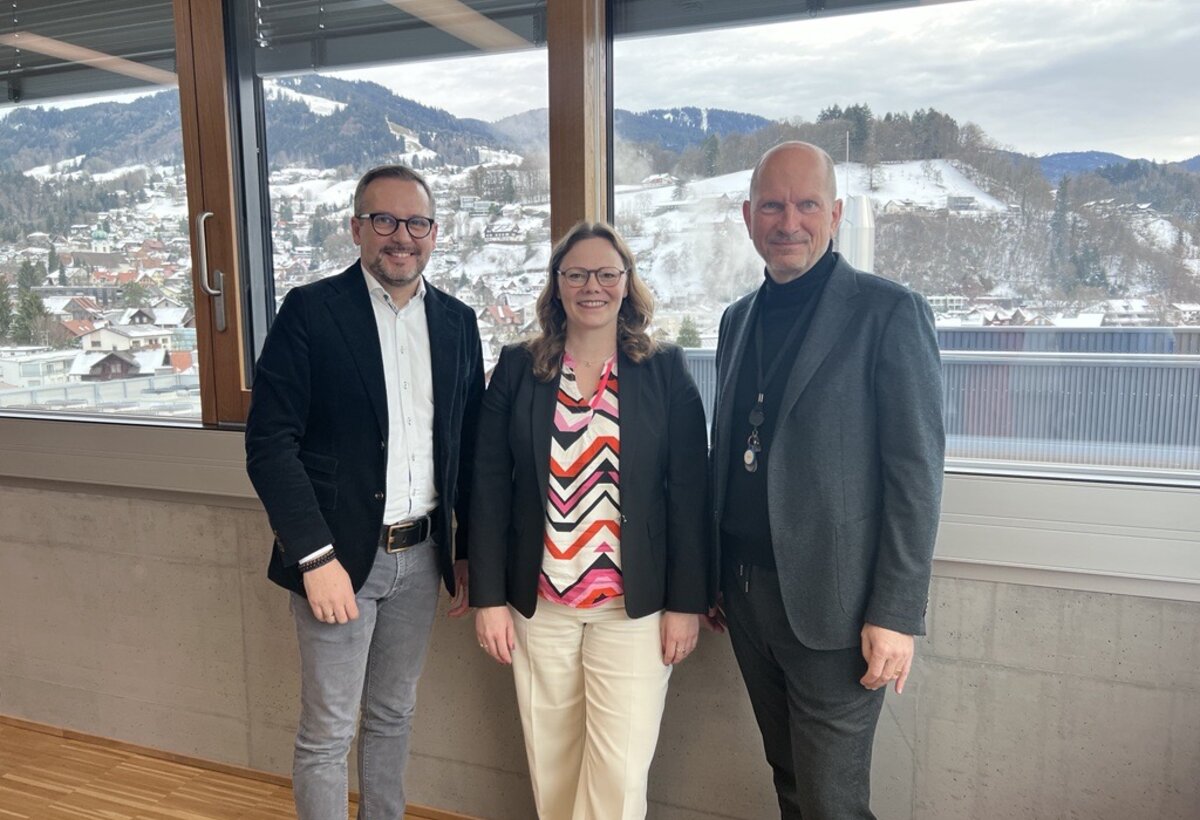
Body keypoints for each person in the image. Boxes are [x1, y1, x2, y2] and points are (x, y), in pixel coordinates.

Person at [711, 141, 944, 819]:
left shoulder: (889, 314)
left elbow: (915, 476)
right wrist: (712, 575)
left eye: (807, 204)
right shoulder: (736, 321)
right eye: (773, 206)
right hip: (746, 599)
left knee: (833, 802)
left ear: (836, 212)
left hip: (836, 612)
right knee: (788, 778)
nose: (790, 222)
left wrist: (896, 615)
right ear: (747, 216)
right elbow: (728, 451)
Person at [245, 164, 484, 819]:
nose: (400, 236)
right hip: (337, 561)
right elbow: (269, 445)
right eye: (384, 220)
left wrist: (468, 550)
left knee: (393, 715)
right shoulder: (311, 312)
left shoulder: (459, 323)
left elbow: (467, 446)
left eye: (416, 223)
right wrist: (314, 558)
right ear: (356, 228)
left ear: (435, 234)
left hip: (423, 556)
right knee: (328, 732)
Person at [470, 221, 710, 820]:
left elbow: (688, 493)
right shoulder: (519, 366)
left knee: (619, 771)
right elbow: (490, 486)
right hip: (541, 604)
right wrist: (489, 598)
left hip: (633, 608)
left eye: (607, 273)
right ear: (557, 286)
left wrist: (687, 602)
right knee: (551, 761)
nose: (592, 286)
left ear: (627, 284)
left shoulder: (664, 370)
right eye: (576, 274)